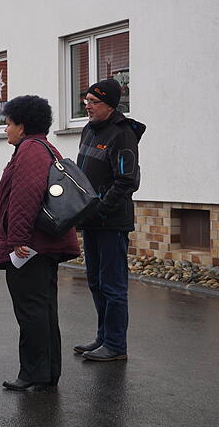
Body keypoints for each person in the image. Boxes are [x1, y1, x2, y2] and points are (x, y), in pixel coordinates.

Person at [0, 95, 80, 391]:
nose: (5, 129)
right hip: (43, 244)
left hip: (31, 247)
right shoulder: (44, 146)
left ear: (23, 126)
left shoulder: (29, 150)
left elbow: (26, 199)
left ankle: (33, 373)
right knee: (44, 309)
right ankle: (47, 372)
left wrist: (17, 241)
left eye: (8, 123)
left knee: (31, 311)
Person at [75, 79, 145, 362]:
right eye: (86, 101)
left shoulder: (122, 134)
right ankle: (103, 337)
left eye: (93, 102)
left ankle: (116, 345)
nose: (87, 106)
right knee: (95, 281)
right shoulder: (89, 130)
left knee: (112, 285)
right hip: (90, 220)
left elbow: (126, 181)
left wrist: (101, 209)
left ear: (110, 105)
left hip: (111, 222)